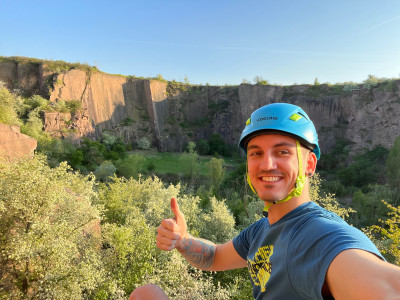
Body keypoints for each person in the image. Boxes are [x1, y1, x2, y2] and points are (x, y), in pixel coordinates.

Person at [130, 103, 400, 300]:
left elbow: (386, 287)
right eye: (256, 153)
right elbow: (212, 258)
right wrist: (182, 240)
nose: (266, 164)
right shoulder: (261, 231)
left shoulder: (318, 236)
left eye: (282, 151)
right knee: (145, 294)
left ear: (309, 163)